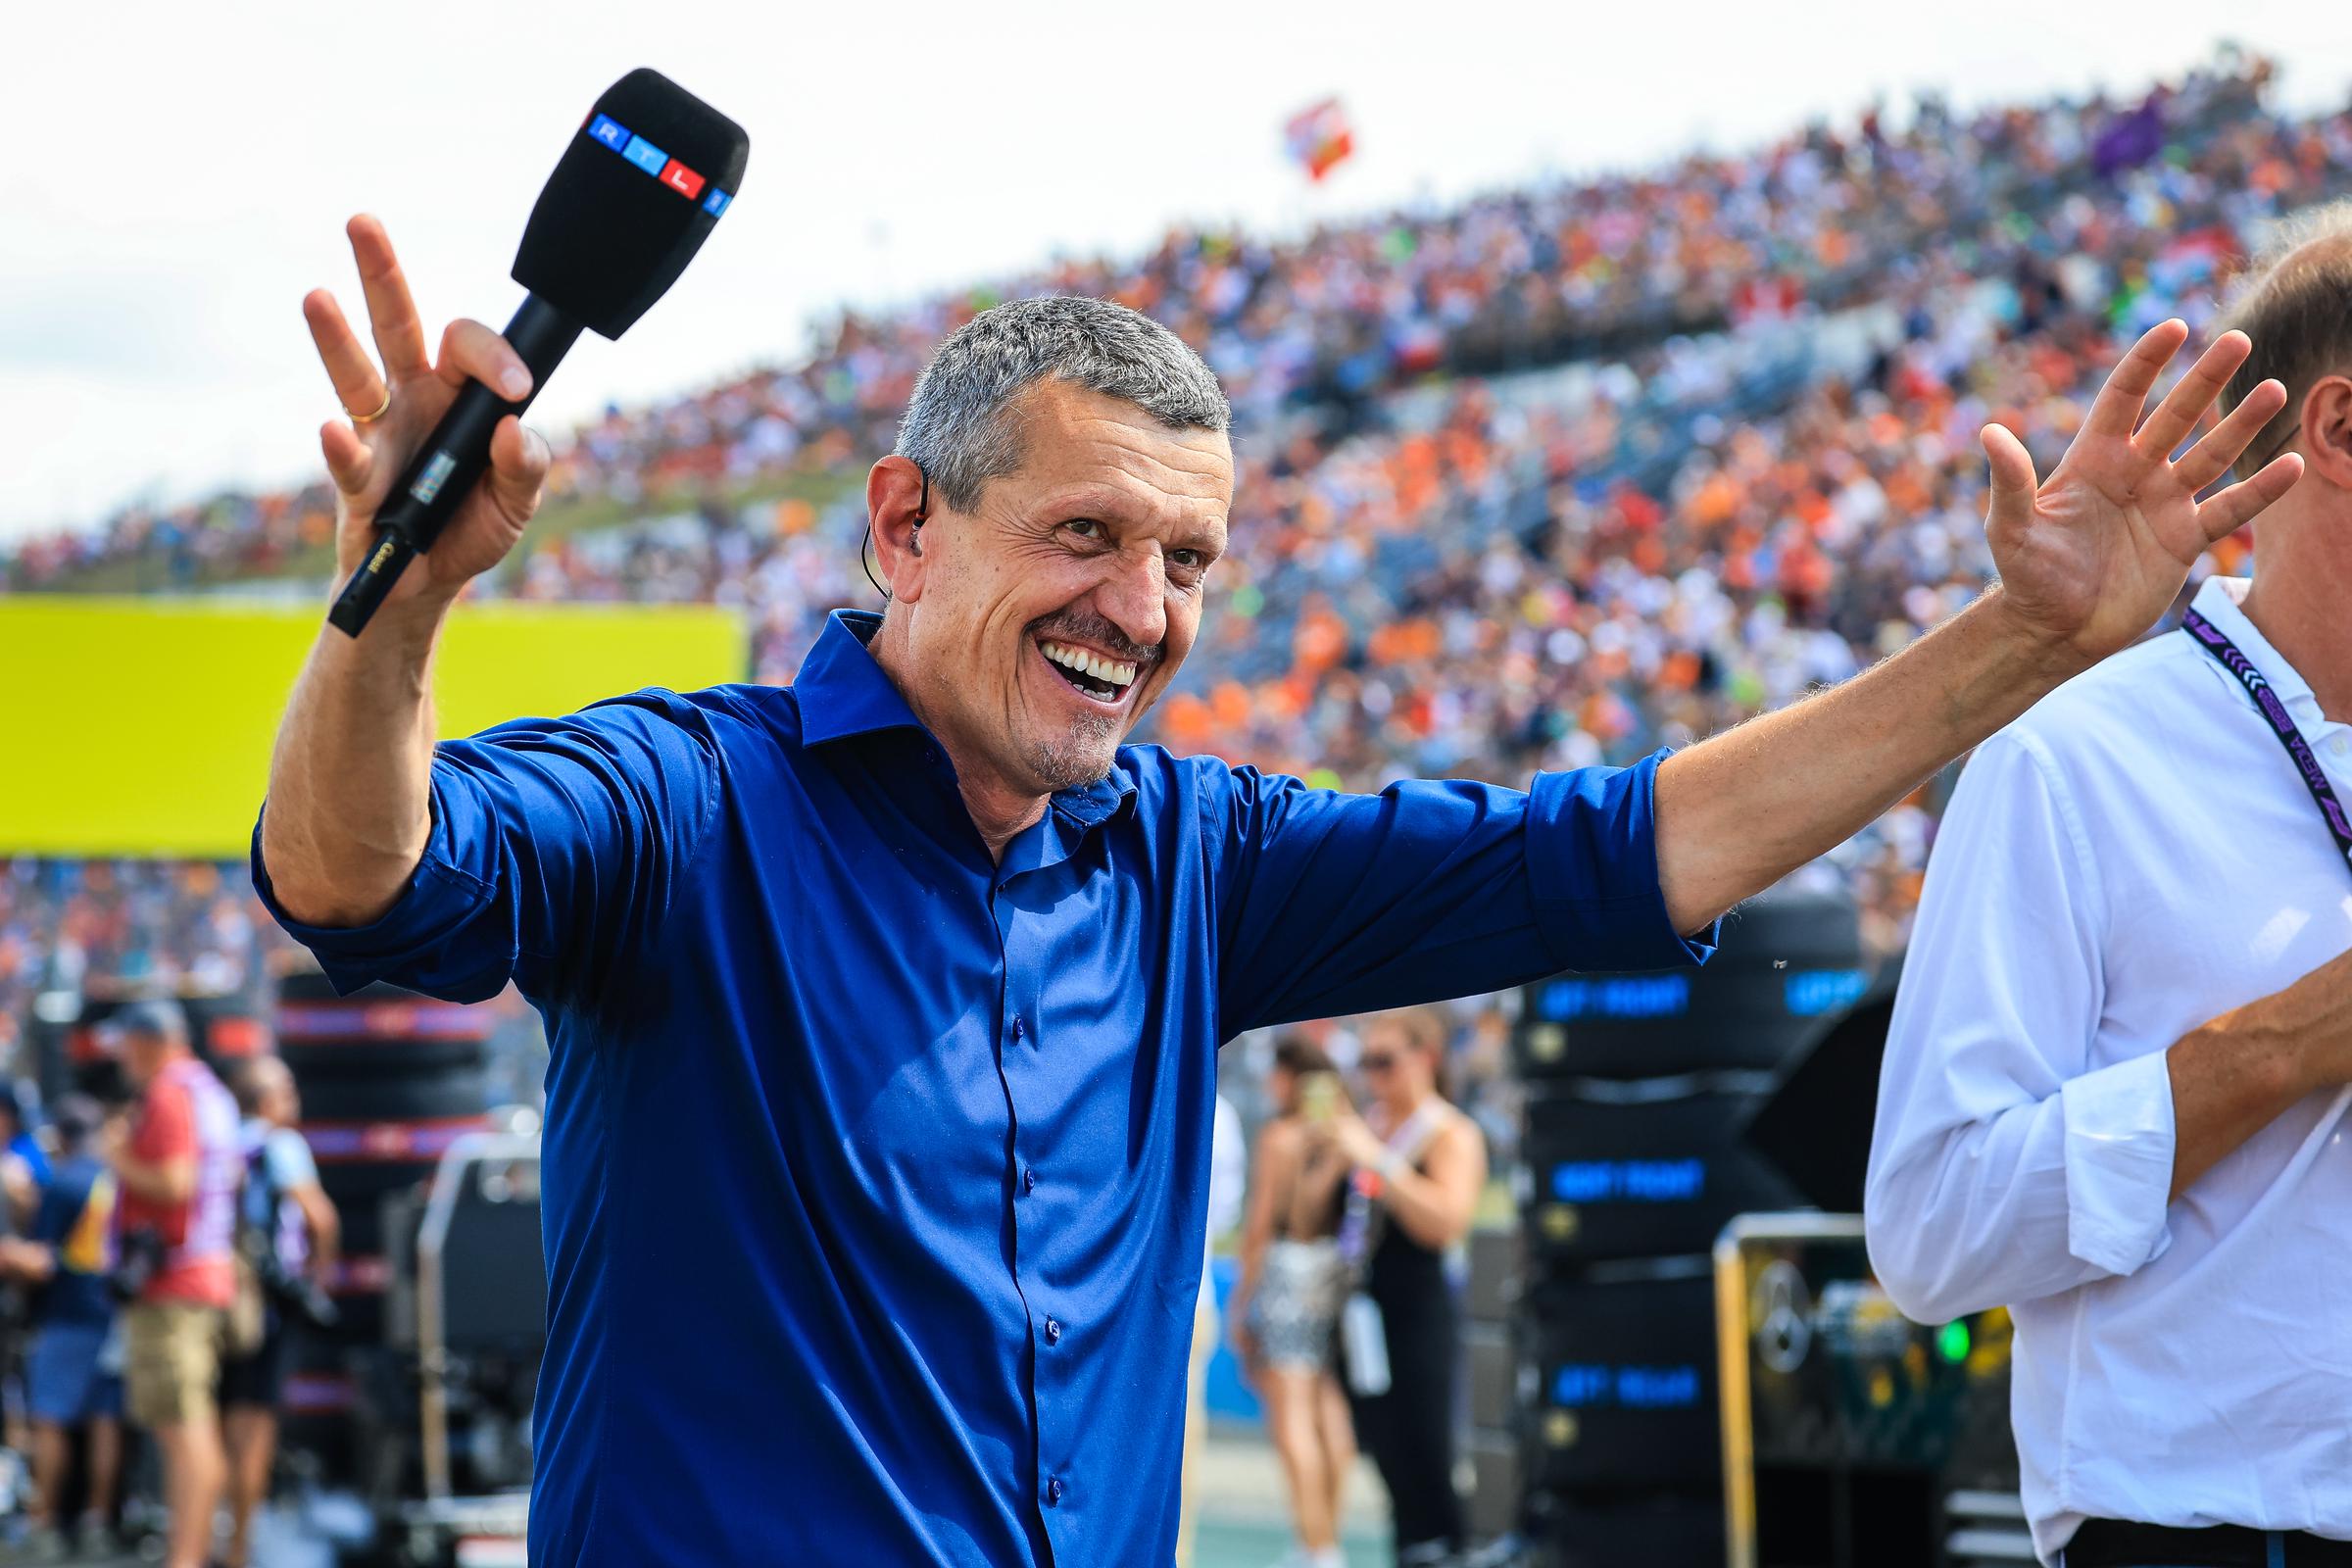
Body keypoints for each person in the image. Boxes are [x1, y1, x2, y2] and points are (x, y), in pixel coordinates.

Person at [252, 210, 2293, 1565]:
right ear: (907, 521)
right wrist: (395, 603)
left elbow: (1616, 849)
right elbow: (366, 878)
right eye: (1086, 533)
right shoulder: (692, 801)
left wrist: (2017, 641)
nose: (1143, 612)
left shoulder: (1196, 854)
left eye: (1192, 561)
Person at [1865, 208, 2352, 1568]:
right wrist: (2279, 1049)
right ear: (2339, 430)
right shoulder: (2075, 758)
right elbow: (1929, 1230)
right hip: (2212, 1533)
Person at [1315, 1009, 1486, 1567]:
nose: (1373, 1077)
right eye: (1365, 1063)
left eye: (1384, 1062)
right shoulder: (1372, 1124)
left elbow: (1445, 1222)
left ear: (1425, 1059)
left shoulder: (1448, 1131)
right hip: (1364, 1315)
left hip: (1418, 1316)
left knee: (1428, 1458)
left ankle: (1445, 1551)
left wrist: (1377, 1163)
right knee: (1388, 1463)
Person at [101, 1001, 242, 1568]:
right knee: (191, 1425)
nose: (119, 1056)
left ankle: (185, 1558)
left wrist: (117, 1154)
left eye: (126, 1043)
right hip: (201, 1276)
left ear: (151, 1041)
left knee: (183, 1430)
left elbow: (174, 1183)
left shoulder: (168, 1092)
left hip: (175, 1282)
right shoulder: (208, 1089)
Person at [1228, 1038, 1358, 1568]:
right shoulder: (1342, 1135)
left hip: (1285, 1274)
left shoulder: (1280, 1137)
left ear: (1291, 1076)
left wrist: (1240, 1302)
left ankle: (1316, 1547)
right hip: (1331, 1273)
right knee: (1327, 1409)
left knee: (1292, 1417)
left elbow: (1259, 1227)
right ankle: (1324, 1538)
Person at [220, 1057, 336, 1568]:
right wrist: (314, 1279)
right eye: (286, 1090)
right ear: (266, 1100)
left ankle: (215, 1536)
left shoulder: (221, 1141)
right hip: (267, 1303)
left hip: (217, 1300)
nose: (295, 1099)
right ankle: (241, 1547)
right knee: (256, 1428)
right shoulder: (282, 1145)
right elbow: (321, 1218)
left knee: (221, 1425)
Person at [0, 1096, 122, 1562]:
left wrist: (11, 1253)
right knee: (105, 1421)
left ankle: (44, 1522)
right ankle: (98, 1521)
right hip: (114, 1316)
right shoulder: (115, 1180)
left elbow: (44, 1262)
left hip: (67, 1317)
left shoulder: (64, 1183)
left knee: (50, 1420)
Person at [1176, 1089, 1247, 1568]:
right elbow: (1223, 1208)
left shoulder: (1215, 1107)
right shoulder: (1216, 1106)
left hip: (1180, 1299)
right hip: (1185, 1295)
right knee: (1177, 1449)